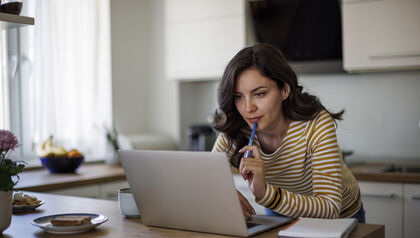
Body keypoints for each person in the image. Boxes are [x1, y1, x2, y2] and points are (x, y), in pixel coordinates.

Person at [212, 43, 365, 223]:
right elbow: (206, 178)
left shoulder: (316, 124)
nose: (248, 108)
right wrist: (222, 193)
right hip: (281, 211)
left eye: (260, 94)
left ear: (284, 90)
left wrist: (265, 193)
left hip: (340, 217)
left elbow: (329, 207)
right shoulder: (236, 128)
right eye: (238, 96)